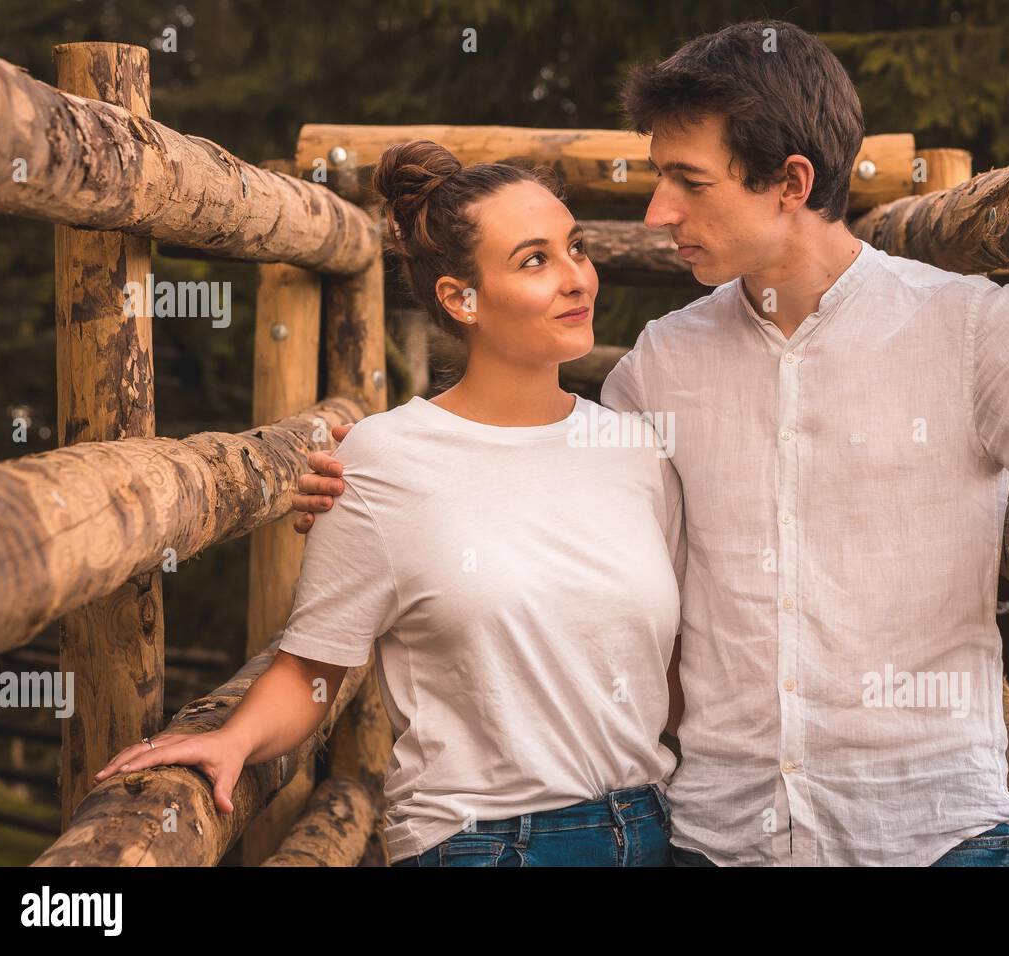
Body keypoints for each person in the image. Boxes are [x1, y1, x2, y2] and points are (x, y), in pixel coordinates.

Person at [293, 21, 1009, 867]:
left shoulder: (966, 331)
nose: (659, 211)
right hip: (720, 837)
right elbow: (547, 484)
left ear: (791, 182)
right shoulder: (662, 364)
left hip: (927, 832)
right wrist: (373, 476)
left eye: (688, 182)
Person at [96, 140, 686, 867]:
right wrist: (234, 738)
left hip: (653, 829)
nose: (577, 279)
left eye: (577, 247)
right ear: (458, 299)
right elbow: (316, 666)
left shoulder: (636, 451)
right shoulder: (386, 459)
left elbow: (676, 666)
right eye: (535, 260)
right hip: (492, 843)